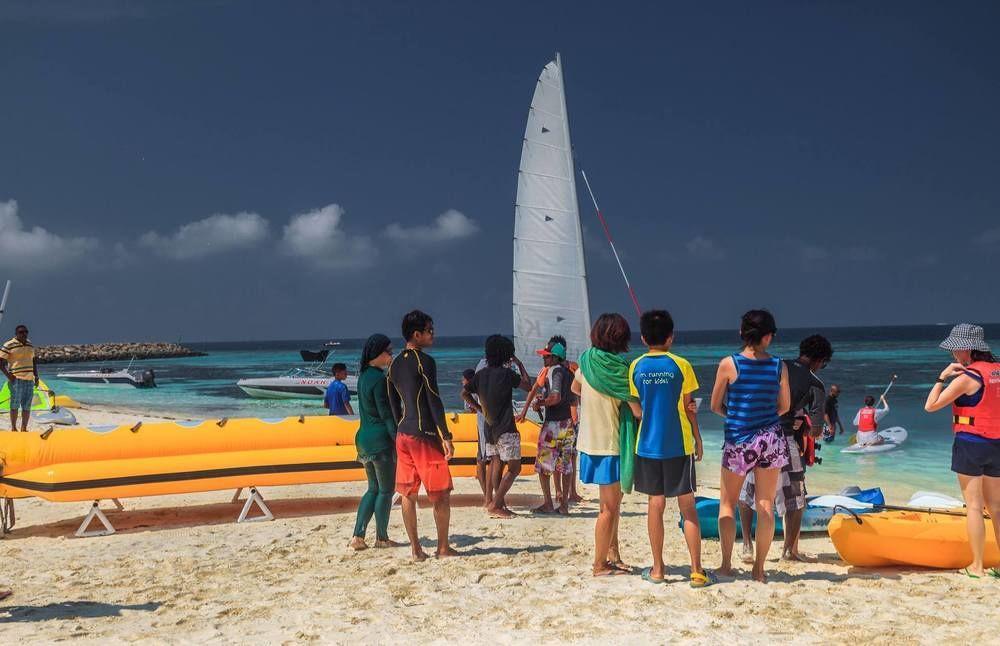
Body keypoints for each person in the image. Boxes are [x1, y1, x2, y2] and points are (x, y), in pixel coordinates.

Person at [627, 310, 713, 588]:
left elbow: (637, 409)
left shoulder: (636, 366)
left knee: (656, 504)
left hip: (648, 445)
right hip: (678, 444)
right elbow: (690, 410)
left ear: (642, 338)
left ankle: (658, 569)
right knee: (688, 507)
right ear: (670, 337)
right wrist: (698, 439)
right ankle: (697, 571)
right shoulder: (681, 365)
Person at [709, 309, 791, 583]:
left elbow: (714, 405)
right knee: (765, 504)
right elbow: (785, 406)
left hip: (738, 440)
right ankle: (759, 569)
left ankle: (726, 565)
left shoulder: (729, 364)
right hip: (771, 439)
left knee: (727, 504)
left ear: (742, 333)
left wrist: (734, 415)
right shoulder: (779, 365)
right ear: (768, 337)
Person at [738, 334, 832, 564]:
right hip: (784, 440)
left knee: (748, 493)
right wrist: (806, 424)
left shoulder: (775, 365)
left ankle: (747, 547)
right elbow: (817, 430)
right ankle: (789, 551)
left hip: (755, 435)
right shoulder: (815, 383)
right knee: (796, 498)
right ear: (820, 360)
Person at [924, 323, 1000, 578]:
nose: (953, 356)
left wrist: (942, 377)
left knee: (975, 507)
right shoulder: (998, 371)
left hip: (971, 445)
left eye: (955, 350)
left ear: (966, 349)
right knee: (997, 507)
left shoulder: (967, 378)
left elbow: (930, 406)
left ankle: (977, 566)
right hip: (997, 444)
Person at [386, 310, 458, 561]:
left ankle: (416, 549)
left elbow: (393, 403)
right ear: (416, 335)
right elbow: (434, 400)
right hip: (424, 435)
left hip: (403, 434)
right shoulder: (424, 362)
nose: (433, 334)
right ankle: (443, 547)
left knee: (408, 493)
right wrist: (445, 435)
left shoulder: (393, 364)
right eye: (429, 330)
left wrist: (400, 428)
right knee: (441, 493)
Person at [571, 313, 637, 577]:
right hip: (609, 446)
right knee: (608, 509)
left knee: (611, 506)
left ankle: (613, 554)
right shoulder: (620, 371)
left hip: (589, 443)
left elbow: (576, 389)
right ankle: (600, 565)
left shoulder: (586, 362)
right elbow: (638, 410)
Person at [463, 335, 530, 518]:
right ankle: (496, 504)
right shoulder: (506, 374)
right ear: (506, 354)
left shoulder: (481, 375)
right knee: (515, 468)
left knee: (496, 463)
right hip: (506, 427)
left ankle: (498, 504)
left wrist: (479, 409)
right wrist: (520, 364)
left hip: (489, 428)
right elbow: (527, 385)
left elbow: (465, 393)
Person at [349, 334, 405, 551]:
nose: (391, 355)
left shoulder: (363, 376)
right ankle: (382, 538)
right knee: (386, 490)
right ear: (377, 354)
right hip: (380, 439)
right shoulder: (380, 379)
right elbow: (387, 415)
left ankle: (357, 536)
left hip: (363, 438)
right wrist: (398, 439)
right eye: (388, 351)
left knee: (372, 488)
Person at [517, 335, 583, 505]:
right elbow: (574, 396)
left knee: (544, 465)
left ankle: (548, 503)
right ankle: (564, 505)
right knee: (566, 464)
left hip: (553, 425)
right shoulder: (570, 371)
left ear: (555, 357)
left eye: (546, 355)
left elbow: (555, 397)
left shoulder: (555, 371)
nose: (543, 357)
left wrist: (541, 402)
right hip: (567, 424)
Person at [462, 368, 492, 506]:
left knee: (482, 460)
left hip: (484, 426)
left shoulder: (473, 389)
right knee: (485, 460)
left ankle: (487, 496)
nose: (462, 382)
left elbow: (470, 408)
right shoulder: (483, 385)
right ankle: (489, 496)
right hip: (486, 425)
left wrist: (479, 409)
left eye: (463, 379)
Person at [0, 324, 38, 432]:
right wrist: (9, 376)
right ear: (16, 334)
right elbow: (0, 362)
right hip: (16, 379)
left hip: (29, 380)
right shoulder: (9, 345)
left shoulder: (30, 344)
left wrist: (37, 377)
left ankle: (24, 428)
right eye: (21, 332)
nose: (24, 334)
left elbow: (33, 361)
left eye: (26, 332)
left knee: (27, 406)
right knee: (15, 405)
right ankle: (13, 428)